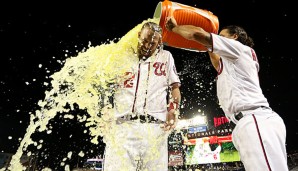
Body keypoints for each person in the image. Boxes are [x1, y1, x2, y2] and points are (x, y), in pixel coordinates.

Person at [165, 17, 288, 171]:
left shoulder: (237, 48)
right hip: (249, 121)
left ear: (234, 36)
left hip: (254, 119)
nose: (218, 40)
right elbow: (215, 58)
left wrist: (174, 28)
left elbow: (197, 35)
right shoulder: (233, 60)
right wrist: (207, 43)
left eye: (221, 37)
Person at [102, 21, 181, 171]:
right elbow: (104, 85)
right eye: (145, 40)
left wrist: (173, 109)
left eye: (153, 43)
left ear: (159, 42)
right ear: (139, 35)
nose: (147, 46)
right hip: (122, 127)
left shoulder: (166, 57)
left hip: (155, 129)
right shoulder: (121, 55)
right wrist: (105, 107)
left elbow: (175, 87)